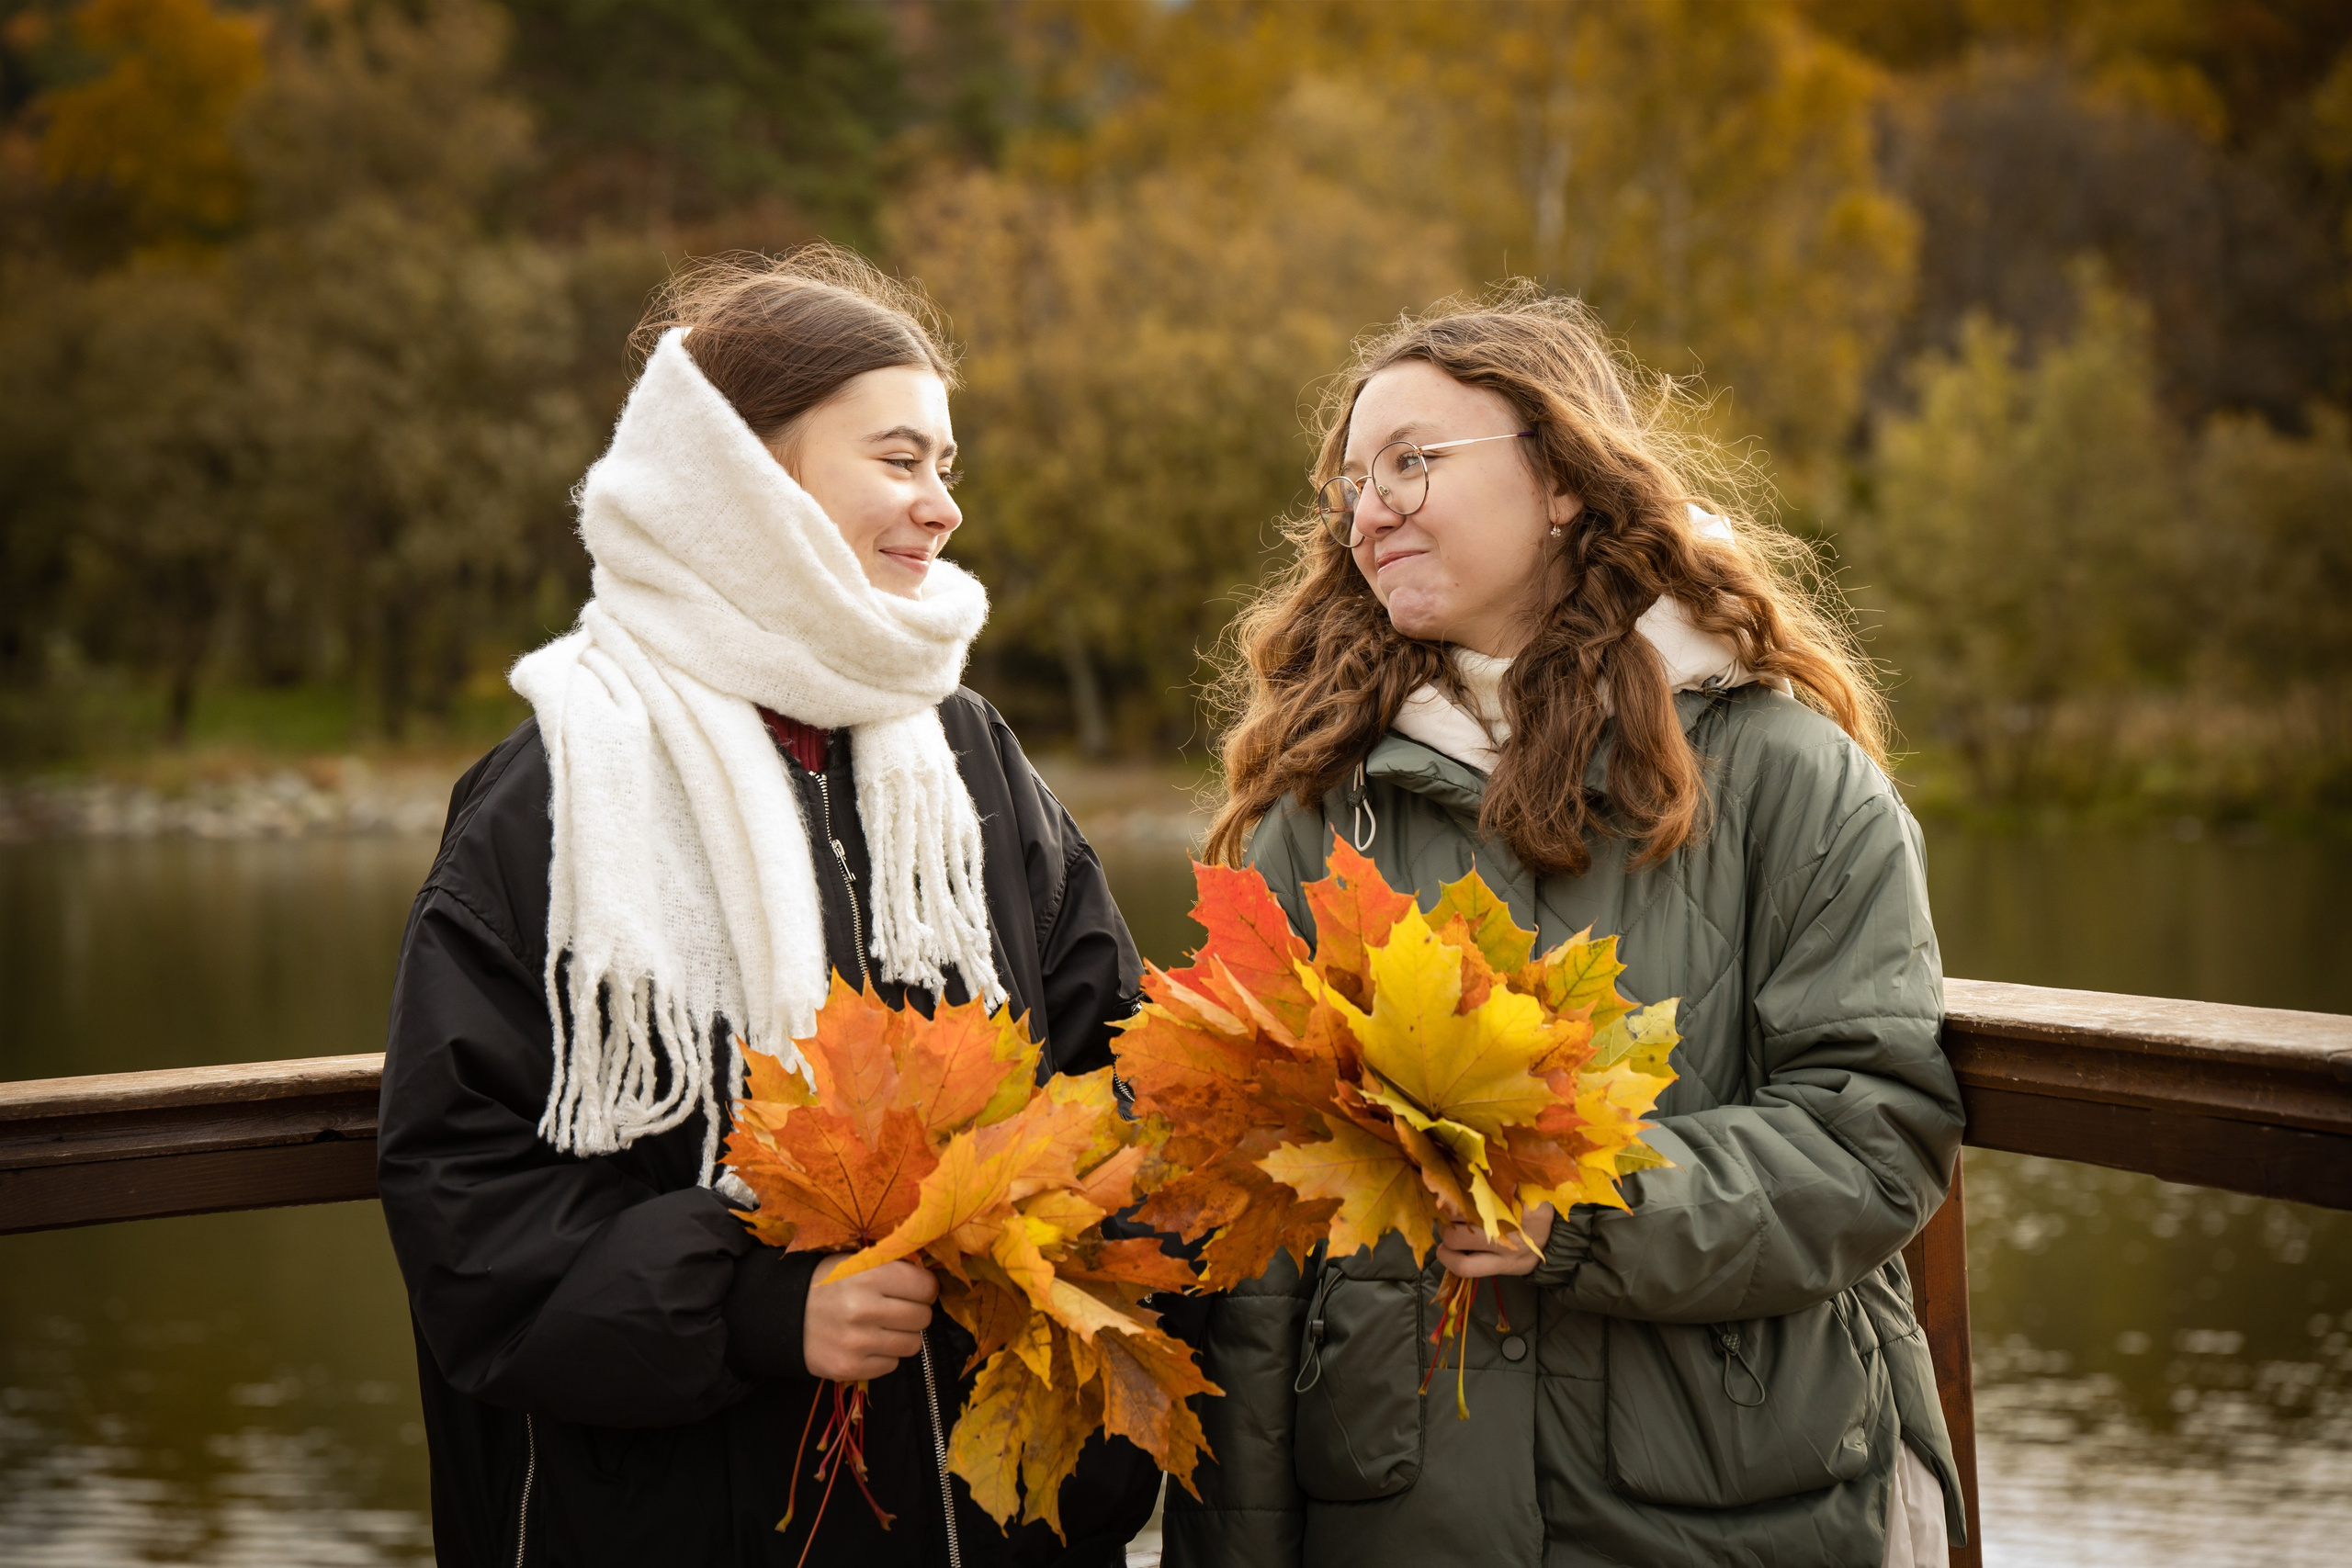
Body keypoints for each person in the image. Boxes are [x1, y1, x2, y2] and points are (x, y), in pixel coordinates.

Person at [376, 246, 1160, 1567]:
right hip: (682, 1516)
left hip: (982, 1514)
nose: (940, 508)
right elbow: (468, 1207)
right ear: (745, 477)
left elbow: (1113, 1067)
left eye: (947, 469)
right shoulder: (558, 794)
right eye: (900, 461)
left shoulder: (966, 762)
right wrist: (752, 1304)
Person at [1161, 292, 1966, 1568]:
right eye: (1354, 484)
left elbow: (1875, 1134)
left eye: (1414, 462)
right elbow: (1254, 1260)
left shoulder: (1788, 778)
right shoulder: (1319, 812)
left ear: (1563, 482)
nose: (1371, 510)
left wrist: (1584, 1212)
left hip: (1719, 1514)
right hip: (1398, 1523)